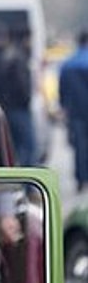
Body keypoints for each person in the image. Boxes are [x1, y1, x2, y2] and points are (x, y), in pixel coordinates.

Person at [59, 30, 88, 191]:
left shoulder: (68, 63)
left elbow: (62, 89)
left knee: (79, 146)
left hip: (76, 111)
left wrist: (63, 106)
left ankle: (81, 179)